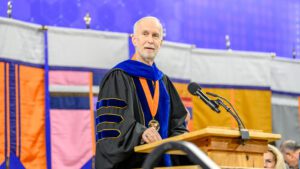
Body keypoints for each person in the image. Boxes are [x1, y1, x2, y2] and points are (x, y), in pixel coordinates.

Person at [95, 16, 188, 169]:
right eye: (145, 34)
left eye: (155, 35)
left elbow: (178, 125)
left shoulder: (164, 82)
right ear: (134, 39)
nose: (150, 40)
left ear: (161, 43)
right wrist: (140, 132)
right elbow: (110, 127)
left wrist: (178, 141)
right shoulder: (118, 76)